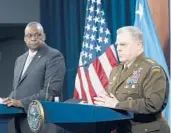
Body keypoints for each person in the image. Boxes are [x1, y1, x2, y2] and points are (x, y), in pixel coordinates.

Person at [94, 26, 170, 133]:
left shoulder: (151, 70)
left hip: (147, 130)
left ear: (138, 45)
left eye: (123, 44)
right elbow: (112, 99)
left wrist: (118, 105)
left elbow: (153, 104)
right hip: (123, 129)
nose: (118, 48)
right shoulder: (116, 70)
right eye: (117, 45)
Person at [3, 22, 66, 133]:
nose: (33, 38)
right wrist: (9, 99)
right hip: (18, 123)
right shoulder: (20, 59)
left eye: (37, 35)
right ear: (25, 38)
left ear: (44, 36)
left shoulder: (54, 56)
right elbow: (17, 89)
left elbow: (50, 92)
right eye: (29, 35)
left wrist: (21, 102)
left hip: (41, 123)